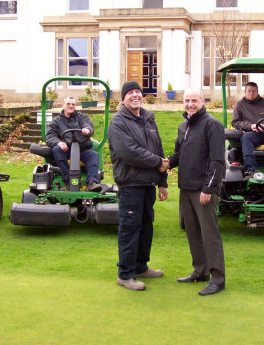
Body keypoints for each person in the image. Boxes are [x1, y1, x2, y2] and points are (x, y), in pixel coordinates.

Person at [108, 81, 169, 291]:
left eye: (138, 92)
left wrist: (162, 182)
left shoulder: (148, 118)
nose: (135, 95)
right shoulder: (118, 122)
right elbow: (129, 152)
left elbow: (158, 147)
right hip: (130, 184)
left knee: (146, 226)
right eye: (130, 92)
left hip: (148, 184)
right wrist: (157, 162)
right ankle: (125, 274)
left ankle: (141, 266)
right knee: (129, 228)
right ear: (123, 98)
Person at [168, 89, 226, 296]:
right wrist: (165, 164)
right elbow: (178, 155)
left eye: (194, 100)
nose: (190, 104)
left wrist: (208, 188)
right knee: (193, 234)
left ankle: (217, 278)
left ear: (203, 101)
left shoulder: (212, 125)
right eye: (187, 100)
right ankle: (200, 271)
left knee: (209, 235)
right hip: (186, 188)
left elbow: (217, 161)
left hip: (203, 190)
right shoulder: (184, 126)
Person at [45, 97, 102, 192]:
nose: (71, 106)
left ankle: (91, 182)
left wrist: (87, 130)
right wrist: (58, 142)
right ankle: (68, 179)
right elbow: (50, 135)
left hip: (82, 149)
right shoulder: (56, 121)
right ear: (63, 105)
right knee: (56, 150)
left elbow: (88, 125)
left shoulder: (81, 117)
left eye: (73, 104)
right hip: (66, 150)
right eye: (68, 104)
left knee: (93, 155)